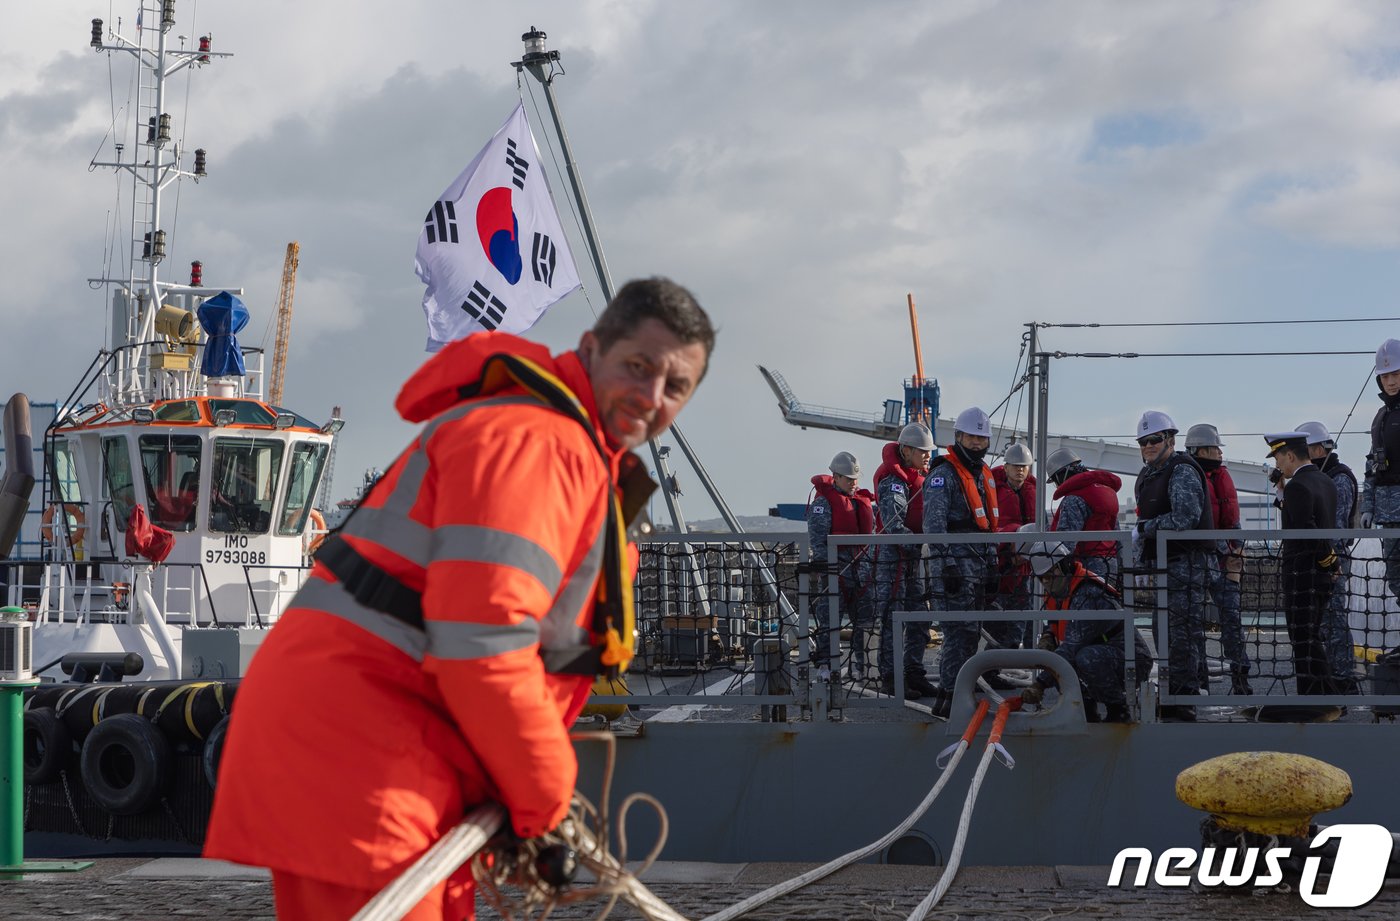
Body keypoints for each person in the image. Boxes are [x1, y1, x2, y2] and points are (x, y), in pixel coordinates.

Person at [204, 278, 714, 920]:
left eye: (676, 388)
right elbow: (484, 641)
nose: (651, 398)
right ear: (590, 349)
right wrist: (544, 793)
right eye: (638, 368)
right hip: (368, 759)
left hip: (384, 753)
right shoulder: (539, 444)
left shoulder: (562, 448)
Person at [926, 407, 1015, 691]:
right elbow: (934, 525)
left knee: (973, 631)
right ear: (959, 437)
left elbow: (986, 526)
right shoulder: (944, 475)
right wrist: (947, 565)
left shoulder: (982, 475)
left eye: (982, 438)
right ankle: (950, 693)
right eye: (971, 437)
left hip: (977, 567)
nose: (977, 443)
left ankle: (963, 685)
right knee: (958, 633)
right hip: (954, 569)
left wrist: (991, 566)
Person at [1132, 410, 1213, 721]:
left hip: (1186, 564)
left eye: (1154, 440)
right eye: (1143, 441)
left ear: (1169, 440)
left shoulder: (1181, 471)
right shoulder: (1152, 474)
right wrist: (1141, 559)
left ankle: (1183, 699)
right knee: (1165, 630)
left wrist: (1144, 529)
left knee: (1181, 634)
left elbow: (1183, 518)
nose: (1148, 445)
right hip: (1166, 566)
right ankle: (1176, 694)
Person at [1018, 541, 1153, 723]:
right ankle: (1086, 711)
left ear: (1065, 567)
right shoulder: (1063, 589)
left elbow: (1071, 649)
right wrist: (1049, 634)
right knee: (1062, 658)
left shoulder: (1088, 594)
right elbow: (1057, 618)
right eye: (1042, 579)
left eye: (1050, 576)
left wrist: (1040, 685)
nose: (1047, 583)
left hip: (1132, 660)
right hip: (1104, 654)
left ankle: (1118, 710)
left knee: (1081, 658)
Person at [1267, 431, 1346, 702]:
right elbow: (1303, 515)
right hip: (1320, 573)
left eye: (1278, 457)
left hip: (1303, 571)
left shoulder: (1298, 486)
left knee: (1303, 638)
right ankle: (1324, 698)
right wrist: (1281, 491)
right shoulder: (1325, 481)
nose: (1278, 465)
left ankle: (1318, 699)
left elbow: (1306, 529)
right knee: (1311, 635)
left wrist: (1328, 559)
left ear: (1289, 455)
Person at [1184, 423, 1251, 696]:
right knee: (1193, 623)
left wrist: (1235, 548)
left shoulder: (1221, 476)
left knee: (1231, 619)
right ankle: (1200, 679)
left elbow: (1231, 518)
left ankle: (1240, 677)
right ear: (1198, 450)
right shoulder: (1187, 477)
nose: (1219, 453)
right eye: (1213, 448)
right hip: (1199, 558)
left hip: (1223, 559)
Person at [1297, 420, 1362, 695]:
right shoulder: (1316, 478)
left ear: (1317, 449)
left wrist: (1328, 558)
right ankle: (1330, 678)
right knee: (1321, 622)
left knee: (1333, 621)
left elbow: (1332, 526)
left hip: (1332, 558)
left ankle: (1343, 679)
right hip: (1317, 557)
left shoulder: (1339, 477)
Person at [873, 422, 937, 700]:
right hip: (894, 559)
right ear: (906, 450)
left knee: (920, 616)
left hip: (913, 558)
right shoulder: (893, 483)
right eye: (922, 451)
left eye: (928, 451)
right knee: (892, 619)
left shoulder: (918, 478)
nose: (927, 455)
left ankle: (913, 671)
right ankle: (889, 676)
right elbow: (893, 525)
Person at [807, 451, 876, 677]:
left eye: (855, 479)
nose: (853, 483)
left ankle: (863, 666)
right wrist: (824, 567)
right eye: (848, 479)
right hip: (836, 572)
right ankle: (825, 666)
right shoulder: (823, 504)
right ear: (835, 477)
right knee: (829, 620)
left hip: (861, 572)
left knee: (864, 621)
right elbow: (818, 539)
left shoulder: (859, 503)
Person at [1361, 338, 1400, 608]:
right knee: (1396, 578)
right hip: (1388, 517)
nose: (1391, 381)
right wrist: (1368, 506)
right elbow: (1372, 465)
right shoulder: (1380, 417)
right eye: (1385, 375)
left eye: (1396, 374)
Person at [1045, 446, 1122, 581]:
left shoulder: (1074, 499)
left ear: (1061, 475)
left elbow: (1066, 544)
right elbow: (1117, 535)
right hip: (1111, 565)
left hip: (1087, 568)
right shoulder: (1107, 492)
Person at [992, 443, 1037, 619]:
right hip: (1002, 560)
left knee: (1026, 615)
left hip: (1028, 562)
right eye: (1016, 466)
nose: (1020, 470)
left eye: (1024, 466)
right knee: (999, 620)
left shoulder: (1034, 492)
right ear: (1006, 467)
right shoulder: (992, 492)